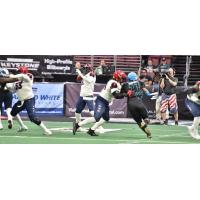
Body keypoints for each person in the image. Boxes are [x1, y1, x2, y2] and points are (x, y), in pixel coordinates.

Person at [73, 70, 127, 136]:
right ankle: (78, 125)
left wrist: (124, 93)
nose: (123, 80)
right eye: (122, 78)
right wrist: (125, 94)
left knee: (106, 118)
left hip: (106, 101)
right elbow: (116, 95)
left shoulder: (116, 83)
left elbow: (118, 95)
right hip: (101, 100)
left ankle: (91, 130)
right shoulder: (113, 83)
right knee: (96, 117)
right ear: (117, 77)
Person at [6, 66, 52, 135]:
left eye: (18, 72)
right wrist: (7, 85)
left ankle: (47, 130)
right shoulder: (16, 80)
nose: (17, 73)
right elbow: (13, 90)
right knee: (12, 113)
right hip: (21, 101)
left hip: (29, 100)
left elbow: (23, 76)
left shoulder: (28, 76)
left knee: (32, 117)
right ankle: (22, 126)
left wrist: (11, 76)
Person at [121, 72, 153, 139]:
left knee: (139, 122)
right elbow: (145, 90)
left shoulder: (125, 85)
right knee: (146, 118)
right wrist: (148, 93)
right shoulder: (140, 82)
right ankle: (145, 121)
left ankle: (147, 132)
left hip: (131, 104)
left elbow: (121, 95)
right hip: (139, 102)